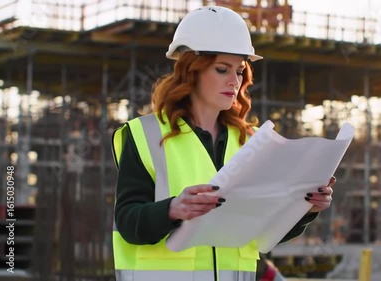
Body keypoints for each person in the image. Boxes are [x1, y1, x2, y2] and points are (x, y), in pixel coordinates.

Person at [111, 5, 335, 281]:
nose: (234, 81)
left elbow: (263, 232)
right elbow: (127, 221)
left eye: (240, 71)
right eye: (222, 69)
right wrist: (172, 209)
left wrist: (304, 208)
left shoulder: (251, 141)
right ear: (191, 71)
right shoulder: (143, 135)